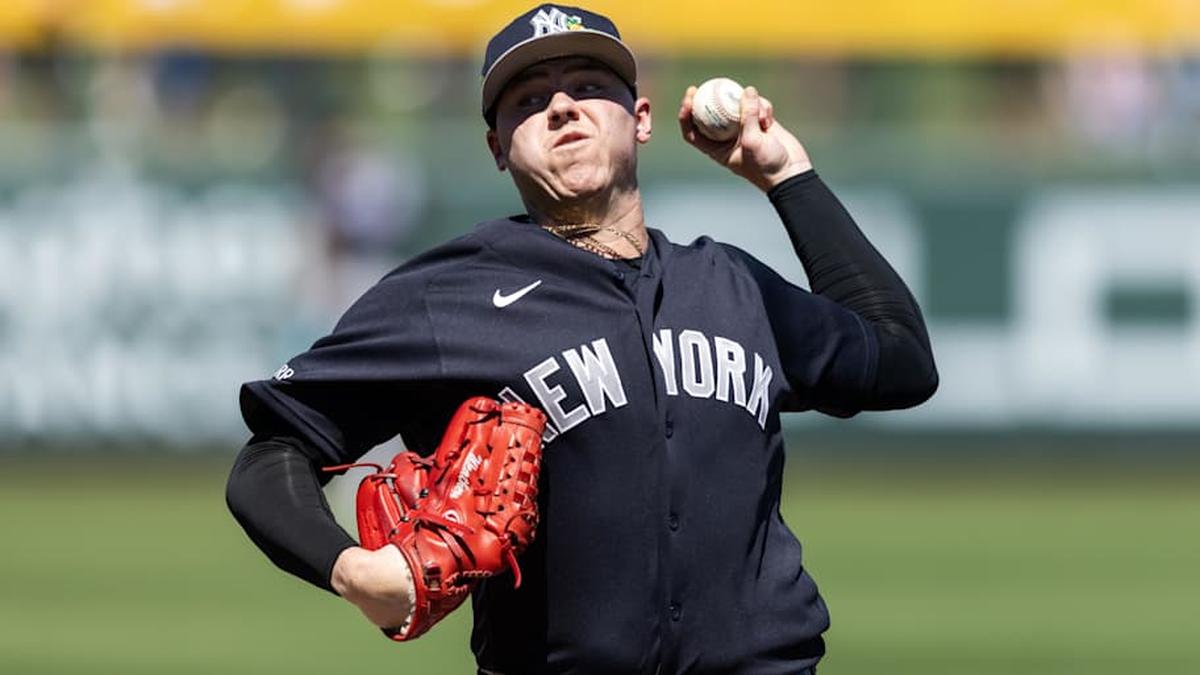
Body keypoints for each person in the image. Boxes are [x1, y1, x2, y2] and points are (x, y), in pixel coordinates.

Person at [226, 4, 938, 674]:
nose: (562, 105)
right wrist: (354, 571)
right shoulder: (449, 295)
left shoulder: (731, 285)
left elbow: (899, 359)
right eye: (529, 99)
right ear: (497, 148)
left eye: (590, 85)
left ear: (641, 117)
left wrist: (787, 176)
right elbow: (272, 453)